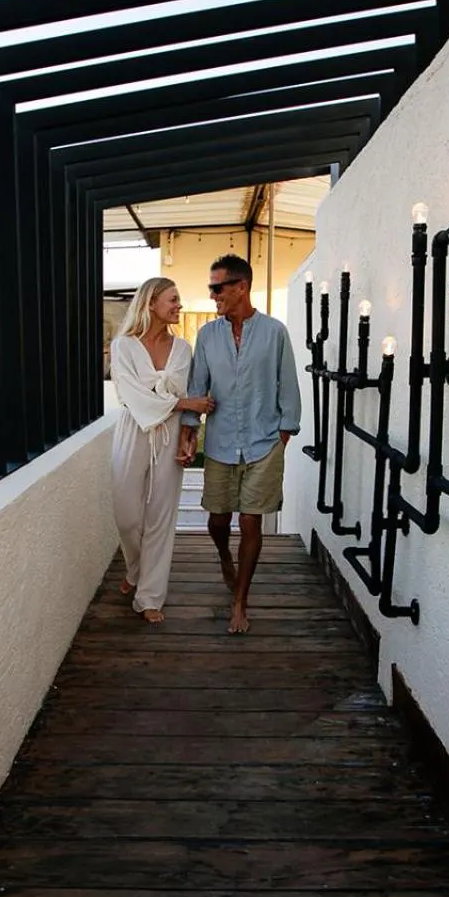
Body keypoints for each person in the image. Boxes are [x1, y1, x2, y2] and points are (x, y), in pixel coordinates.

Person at [179, 254, 302, 634]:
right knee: (218, 520)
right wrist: (189, 429)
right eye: (211, 288)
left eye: (218, 287)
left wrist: (285, 432)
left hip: (265, 442)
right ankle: (223, 556)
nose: (213, 295)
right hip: (220, 443)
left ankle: (240, 601)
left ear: (241, 287)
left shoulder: (275, 332)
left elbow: (289, 384)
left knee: (251, 520)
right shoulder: (207, 336)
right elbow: (197, 385)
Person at [109, 277, 214, 624]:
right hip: (133, 429)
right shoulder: (124, 346)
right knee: (127, 515)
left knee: (161, 516)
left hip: (169, 432)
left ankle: (150, 596)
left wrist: (188, 434)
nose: (179, 305)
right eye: (173, 299)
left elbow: (182, 395)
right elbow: (132, 395)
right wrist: (186, 403)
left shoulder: (183, 349)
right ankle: (136, 569)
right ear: (151, 303)